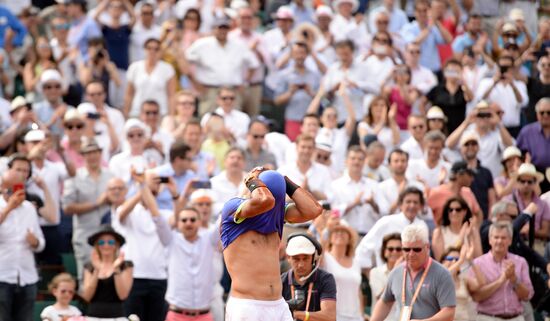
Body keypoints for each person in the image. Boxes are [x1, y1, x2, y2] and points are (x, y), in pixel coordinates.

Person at [220, 169, 322, 320]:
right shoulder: (233, 207)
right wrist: (252, 179)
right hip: (247, 306)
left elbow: (314, 210)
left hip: (278, 305)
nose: (274, 203)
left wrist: (284, 181)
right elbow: (264, 201)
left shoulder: (276, 213)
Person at [113, 169, 173, 321]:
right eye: (151, 181)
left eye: (157, 182)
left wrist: (174, 192)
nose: (155, 185)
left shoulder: (164, 214)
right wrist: (143, 187)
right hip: (134, 276)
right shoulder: (130, 210)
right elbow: (121, 214)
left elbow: (175, 222)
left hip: (159, 276)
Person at [369, 224, 456, 321]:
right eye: (406, 249)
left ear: (427, 247)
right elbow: (385, 302)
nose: (411, 254)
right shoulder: (396, 272)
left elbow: (449, 312)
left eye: (416, 249)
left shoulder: (442, 274)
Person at [185, 15, 259, 115]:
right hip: (210, 90)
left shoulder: (238, 45)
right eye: (219, 28)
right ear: (214, 29)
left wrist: (245, 83)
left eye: (225, 28)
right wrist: (195, 83)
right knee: (207, 120)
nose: (222, 31)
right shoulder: (202, 44)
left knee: (234, 121)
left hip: (232, 90)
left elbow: (253, 64)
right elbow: (185, 60)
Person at [63, 138, 113, 279]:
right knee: (86, 277)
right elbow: (67, 208)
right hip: (85, 234)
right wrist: (96, 204)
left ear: (100, 153)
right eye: (88, 153)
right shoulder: (75, 177)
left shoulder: (110, 175)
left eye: (95, 152)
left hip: (107, 235)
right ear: (83, 155)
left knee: (108, 277)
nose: (92, 156)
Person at [0, 169, 45, 321]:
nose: (17, 193)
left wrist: (36, 242)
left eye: (20, 188)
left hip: (27, 276)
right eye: (12, 189)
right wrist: (8, 209)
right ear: (2, 187)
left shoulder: (29, 209)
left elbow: (41, 242)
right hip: (2, 275)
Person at [469, 221, 534, 321]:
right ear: (490, 240)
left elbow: (527, 296)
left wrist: (514, 279)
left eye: (503, 238)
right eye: (496, 237)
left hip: (515, 318)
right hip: (487, 318)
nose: (499, 241)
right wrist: (501, 280)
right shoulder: (477, 264)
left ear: (510, 240)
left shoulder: (520, 262)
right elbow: (476, 297)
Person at [356, 187, 429, 270]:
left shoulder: (422, 225)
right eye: (408, 202)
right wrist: (369, 274)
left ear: (420, 206)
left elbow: (425, 254)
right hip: (385, 275)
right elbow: (363, 248)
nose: (412, 205)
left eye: (415, 202)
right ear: (400, 204)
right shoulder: (386, 221)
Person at [329, 146, 387, 236]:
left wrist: (373, 204)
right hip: (345, 236)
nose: (356, 162)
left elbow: (385, 211)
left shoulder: (374, 185)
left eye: (360, 159)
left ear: (364, 162)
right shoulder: (336, 185)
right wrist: (353, 204)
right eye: (353, 158)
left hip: (369, 235)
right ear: (346, 161)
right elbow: (333, 212)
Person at [81, 225, 134, 320]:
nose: (106, 245)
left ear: (116, 245)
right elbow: (87, 296)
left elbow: (123, 295)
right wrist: (96, 270)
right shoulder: (89, 266)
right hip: (93, 316)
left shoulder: (125, 265)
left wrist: (116, 268)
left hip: (117, 317)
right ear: (97, 245)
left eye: (110, 242)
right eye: (101, 242)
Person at [281, 233, 337, 321]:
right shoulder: (280, 281)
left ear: (314, 257)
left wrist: (295, 314)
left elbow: (330, 316)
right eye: (296, 259)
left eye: (305, 258)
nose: (301, 265)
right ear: (288, 257)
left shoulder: (325, 279)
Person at [124, 38, 176, 118]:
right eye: (149, 48)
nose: (152, 51)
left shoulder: (167, 68)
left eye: (156, 49)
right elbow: (129, 94)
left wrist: (171, 116)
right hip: (137, 111)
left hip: (160, 113)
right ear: (144, 49)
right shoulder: (134, 67)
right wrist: (126, 112)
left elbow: (171, 95)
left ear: (160, 51)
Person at [323, 225, 364, 321]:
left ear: (350, 238)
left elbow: (358, 291)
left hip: (356, 317)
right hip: (334, 316)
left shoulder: (356, 262)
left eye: (343, 231)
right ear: (330, 237)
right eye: (336, 231)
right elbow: (318, 251)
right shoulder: (325, 258)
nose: (340, 233)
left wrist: (361, 314)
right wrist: (323, 229)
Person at [431, 196, 482, 261]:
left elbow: (479, 259)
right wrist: (461, 239)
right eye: (450, 210)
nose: (454, 212)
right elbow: (441, 261)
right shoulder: (439, 232)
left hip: (469, 269)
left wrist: (469, 237)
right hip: (450, 270)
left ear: (465, 212)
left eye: (458, 209)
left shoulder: (472, 231)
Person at [516, 98, 550, 193]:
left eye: (549, 112)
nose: (545, 115)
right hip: (534, 177)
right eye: (542, 112)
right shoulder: (527, 132)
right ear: (537, 114)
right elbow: (517, 155)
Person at [369, 233, 403, 321]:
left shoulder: (410, 273)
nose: (394, 252)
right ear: (384, 252)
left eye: (398, 249)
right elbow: (380, 296)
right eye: (390, 249)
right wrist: (395, 271)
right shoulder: (376, 272)